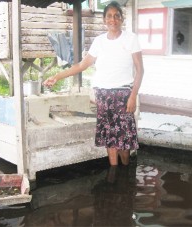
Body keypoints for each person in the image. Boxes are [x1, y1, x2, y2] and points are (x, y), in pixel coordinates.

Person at [43, 1, 144, 166]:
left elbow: (140, 70)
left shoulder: (131, 39)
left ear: (122, 19)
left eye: (117, 16)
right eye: (109, 16)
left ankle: (125, 172)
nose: (113, 19)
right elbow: (82, 65)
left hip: (123, 95)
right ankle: (113, 172)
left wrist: (133, 96)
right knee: (110, 140)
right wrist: (58, 76)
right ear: (104, 20)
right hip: (103, 95)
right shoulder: (99, 41)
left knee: (124, 141)